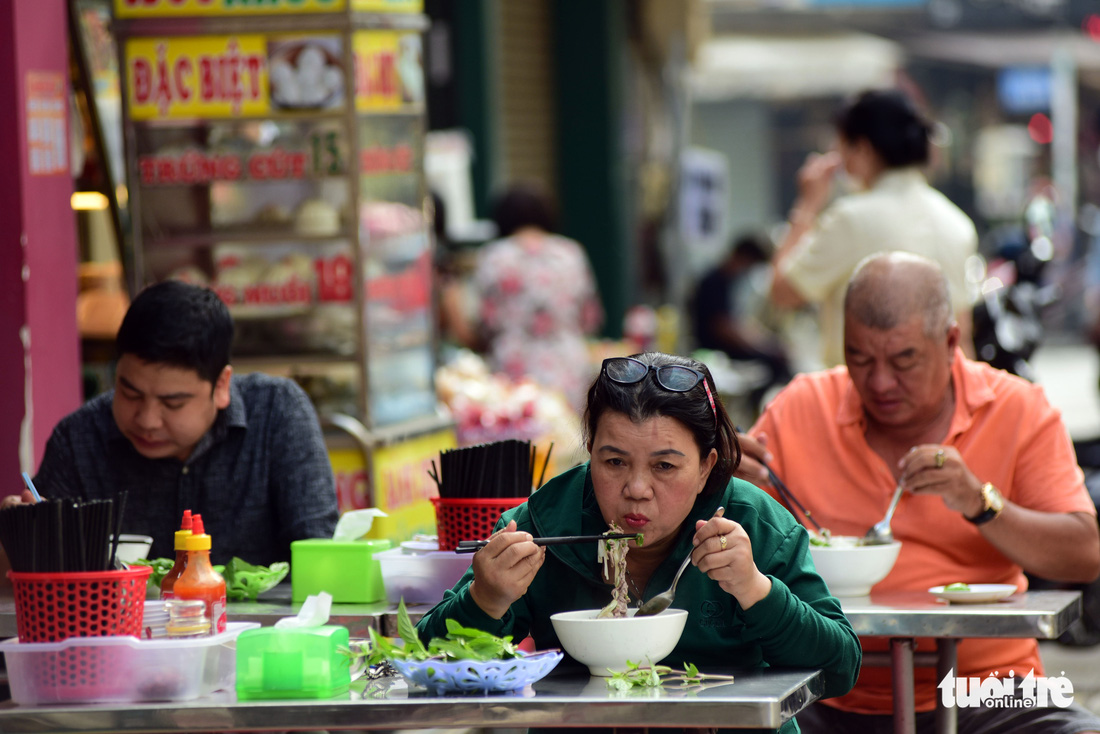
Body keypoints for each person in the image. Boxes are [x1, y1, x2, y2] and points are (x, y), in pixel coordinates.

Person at [739, 252, 1100, 733]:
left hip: (987, 686)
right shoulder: (803, 407)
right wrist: (731, 483)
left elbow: (1084, 554)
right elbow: (731, 542)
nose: (881, 382)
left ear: (951, 341)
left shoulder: (1017, 409)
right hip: (821, 685)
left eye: (904, 359)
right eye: (860, 358)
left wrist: (981, 502)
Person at [417, 351, 862, 734]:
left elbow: (841, 667)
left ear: (706, 466)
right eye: (614, 461)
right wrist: (486, 599)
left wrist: (755, 590)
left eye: (665, 467)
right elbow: (426, 664)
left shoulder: (753, 522)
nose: (636, 488)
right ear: (590, 452)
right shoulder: (541, 524)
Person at [0, 280, 339, 570]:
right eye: (129, 393)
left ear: (221, 386)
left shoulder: (277, 413)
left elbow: (320, 555)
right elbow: (30, 580)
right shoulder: (79, 439)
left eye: (172, 403)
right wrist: (21, 538)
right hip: (118, 639)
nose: (147, 420)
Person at [769, 88, 978, 368]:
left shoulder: (851, 219)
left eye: (840, 145)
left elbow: (782, 293)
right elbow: (963, 338)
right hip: (938, 401)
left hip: (862, 398)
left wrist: (808, 204)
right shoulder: (956, 221)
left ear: (862, 149)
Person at [473, 183, 604, 411]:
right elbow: (590, 319)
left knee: (520, 435)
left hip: (513, 367)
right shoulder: (570, 253)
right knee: (570, 437)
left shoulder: (493, 257)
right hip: (567, 365)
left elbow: (486, 323)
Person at [692, 230, 793, 406]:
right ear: (742, 257)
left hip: (725, 343)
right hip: (714, 348)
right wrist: (761, 345)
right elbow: (723, 329)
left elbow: (735, 324)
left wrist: (761, 339)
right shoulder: (714, 281)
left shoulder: (726, 281)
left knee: (777, 354)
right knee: (775, 361)